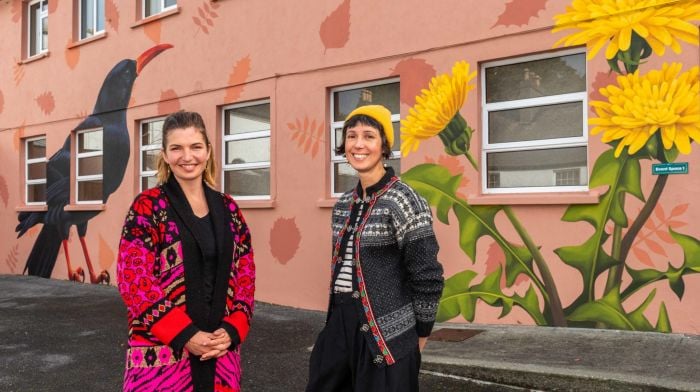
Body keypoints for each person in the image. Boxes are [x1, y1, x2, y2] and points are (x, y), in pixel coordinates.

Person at [306, 105, 444, 392]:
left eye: (369, 136)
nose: (358, 144)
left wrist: (420, 334)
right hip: (340, 326)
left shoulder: (404, 200)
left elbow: (427, 273)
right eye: (352, 136)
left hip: (388, 333)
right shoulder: (343, 203)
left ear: (384, 146)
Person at [117, 111, 255, 392]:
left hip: (220, 352)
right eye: (176, 148)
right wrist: (185, 334)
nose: (187, 156)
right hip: (161, 359)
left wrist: (232, 330)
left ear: (208, 152)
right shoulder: (147, 207)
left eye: (195, 147)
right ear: (165, 155)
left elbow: (245, 274)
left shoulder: (229, 209)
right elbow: (133, 280)